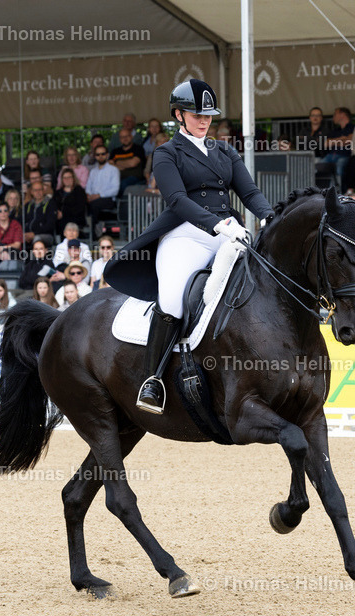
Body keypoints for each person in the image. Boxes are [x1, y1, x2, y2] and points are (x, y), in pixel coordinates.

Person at [103, 79, 275, 413]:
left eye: (208, 114)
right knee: (172, 302)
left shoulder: (224, 151)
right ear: (179, 115)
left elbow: (249, 193)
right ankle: (152, 380)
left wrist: (269, 217)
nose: (204, 120)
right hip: (186, 236)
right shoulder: (166, 152)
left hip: (229, 234)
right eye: (197, 114)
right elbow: (177, 200)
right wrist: (217, 223)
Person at [86, 144, 120, 228]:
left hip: (107, 199)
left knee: (94, 204)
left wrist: (98, 195)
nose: (100, 156)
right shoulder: (93, 171)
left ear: (107, 155)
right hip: (92, 198)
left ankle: (94, 232)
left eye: (103, 154)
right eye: (98, 154)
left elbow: (115, 190)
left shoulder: (114, 170)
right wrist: (88, 195)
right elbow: (88, 186)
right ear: (95, 156)